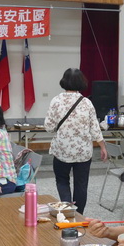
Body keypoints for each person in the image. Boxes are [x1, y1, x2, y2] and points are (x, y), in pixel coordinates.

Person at [44, 68, 108, 213]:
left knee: (62, 181)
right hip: (83, 152)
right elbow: (95, 129)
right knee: (81, 185)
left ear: (64, 81)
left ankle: (67, 211)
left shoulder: (56, 101)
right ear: (81, 82)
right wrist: (103, 147)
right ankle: (79, 215)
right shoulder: (86, 103)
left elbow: (48, 127)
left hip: (62, 150)